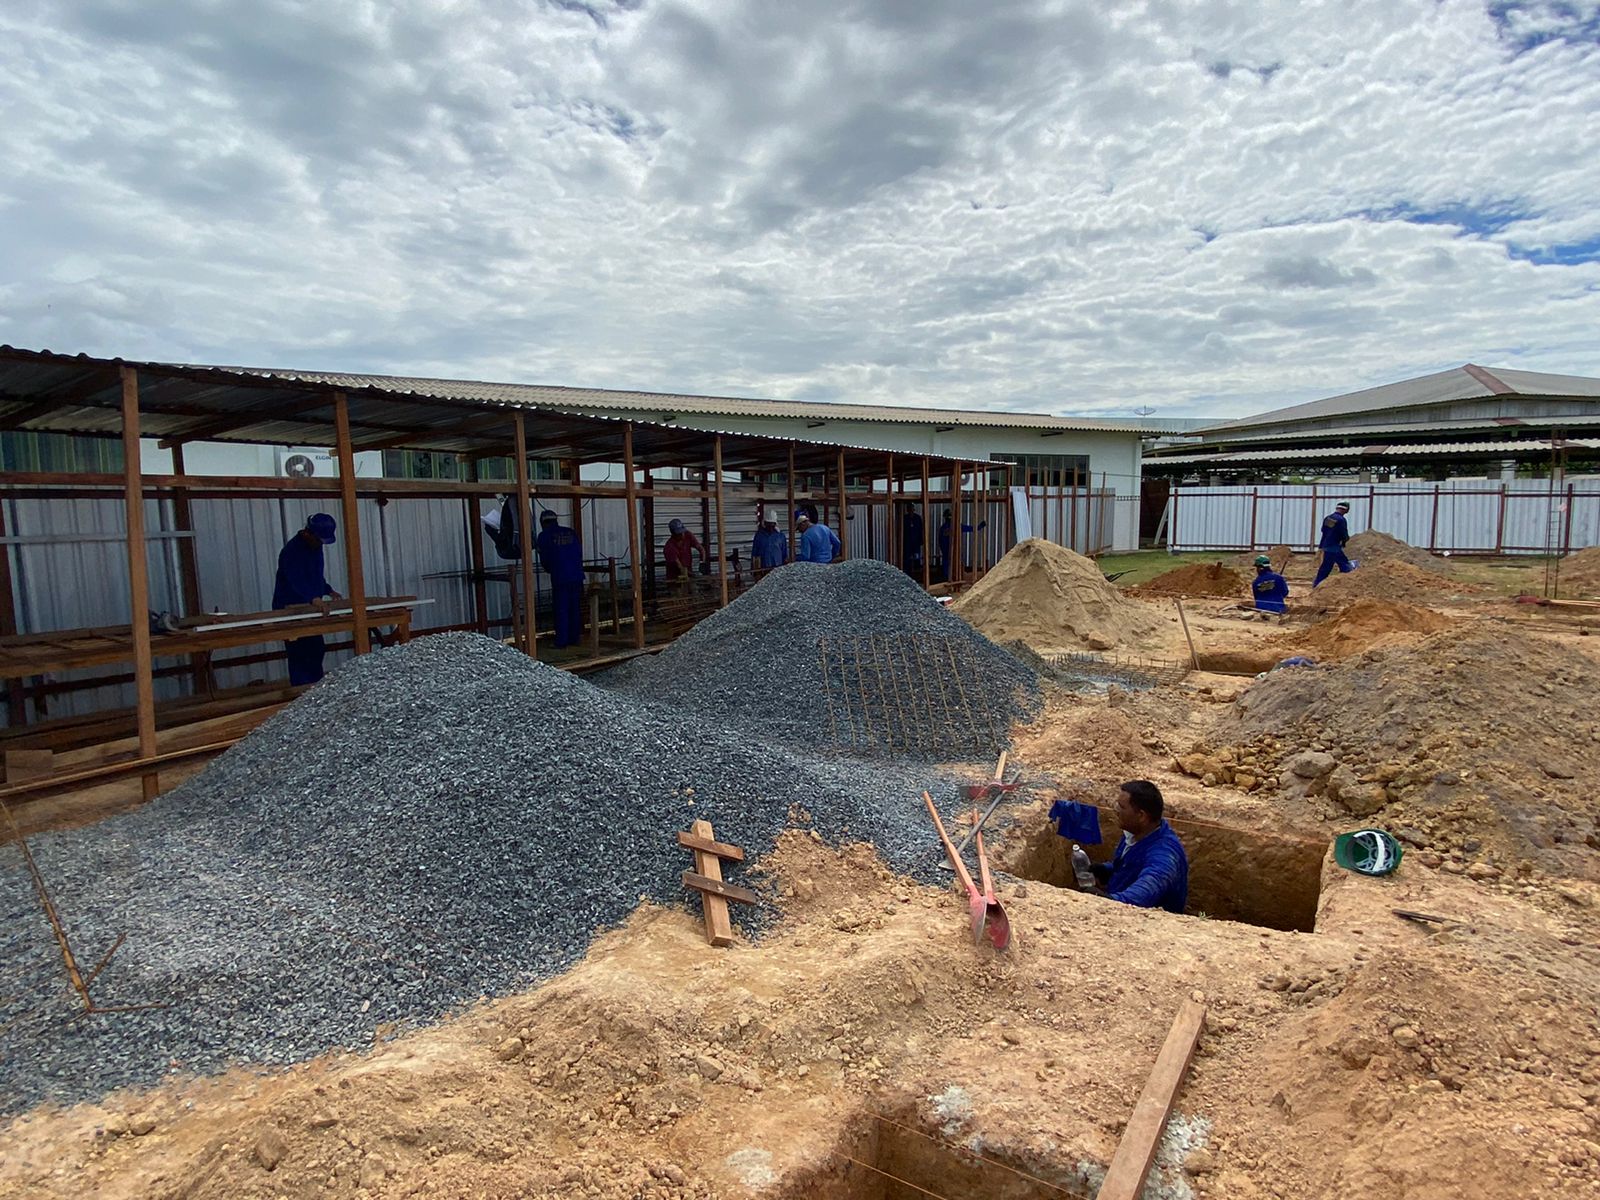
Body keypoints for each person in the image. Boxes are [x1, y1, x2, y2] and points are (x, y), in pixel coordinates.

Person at [1089, 780, 1188, 914]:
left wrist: (1109, 900)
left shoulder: (1164, 854)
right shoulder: (1134, 832)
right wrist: (1107, 870)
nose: (1115, 810)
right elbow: (1130, 865)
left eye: (1122, 807)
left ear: (1141, 816)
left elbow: (1148, 888)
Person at [272, 513, 341, 686]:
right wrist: (313, 598)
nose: (320, 544)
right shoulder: (291, 552)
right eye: (319, 540)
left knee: (316, 649)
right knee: (299, 654)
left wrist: (328, 590)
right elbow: (296, 580)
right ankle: (301, 693)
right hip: (291, 609)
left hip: (311, 610)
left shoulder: (315, 547)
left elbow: (315, 576)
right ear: (308, 533)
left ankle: (315, 690)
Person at [535, 509, 585, 649]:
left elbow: (545, 560)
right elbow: (579, 552)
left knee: (561, 609)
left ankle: (561, 641)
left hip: (560, 577)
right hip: (576, 575)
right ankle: (574, 638)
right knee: (574, 608)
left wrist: (551, 569)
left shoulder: (544, 536)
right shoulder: (570, 532)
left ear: (543, 523)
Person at [1312, 501, 1355, 587]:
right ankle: (1350, 585)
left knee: (1326, 567)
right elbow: (1343, 533)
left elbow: (1323, 530)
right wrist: (1346, 541)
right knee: (1344, 565)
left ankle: (1317, 584)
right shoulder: (1341, 520)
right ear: (1345, 510)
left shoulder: (1328, 518)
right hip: (1334, 546)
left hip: (1326, 545)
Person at [901, 507, 925, 577]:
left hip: (916, 542)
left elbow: (921, 530)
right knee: (907, 558)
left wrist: (921, 540)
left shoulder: (917, 518)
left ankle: (917, 572)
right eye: (909, 510)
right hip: (907, 542)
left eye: (912, 510)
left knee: (916, 557)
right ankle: (908, 572)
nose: (911, 512)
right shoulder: (905, 518)